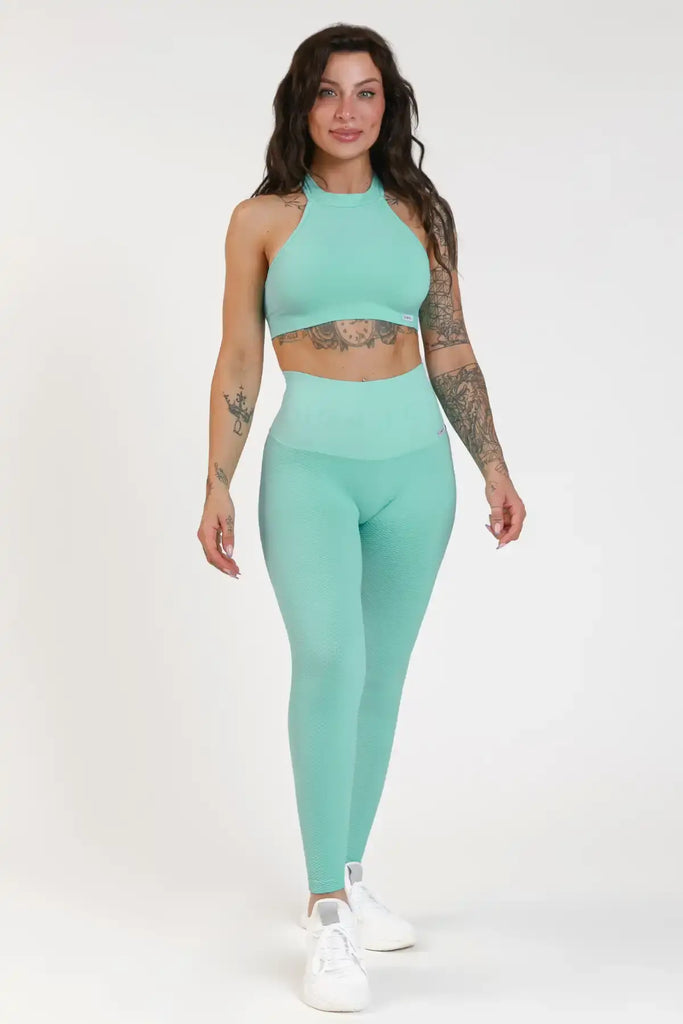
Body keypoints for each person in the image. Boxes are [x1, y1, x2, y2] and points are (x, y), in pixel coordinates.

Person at [197, 22, 526, 1013]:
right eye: (329, 91)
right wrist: (216, 480)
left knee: (379, 676)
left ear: (389, 105)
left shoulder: (420, 213)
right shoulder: (262, 218)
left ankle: (347, 866)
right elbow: (240, 355)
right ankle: (325, 910)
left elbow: (451, 347)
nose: (348, 110)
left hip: (415, 471)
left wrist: (492, 465)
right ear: (301, 104)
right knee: (329, 660)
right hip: (310, 470)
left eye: (367, 91)